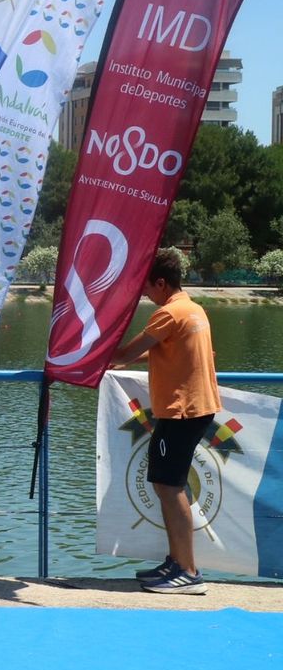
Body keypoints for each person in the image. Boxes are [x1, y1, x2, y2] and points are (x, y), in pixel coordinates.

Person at [110, 248, 220, 595]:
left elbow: (125, 352)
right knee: (166, 484)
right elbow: (163, 348)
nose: (145, 294)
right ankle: (176, 562)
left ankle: (187, 572)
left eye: (146, 287)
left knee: (170, 488)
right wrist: (125, 360)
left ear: (161, 283)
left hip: (182, 411)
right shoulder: (193, 308)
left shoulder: (168, 313)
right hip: (195, 408)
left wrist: (90, 352)